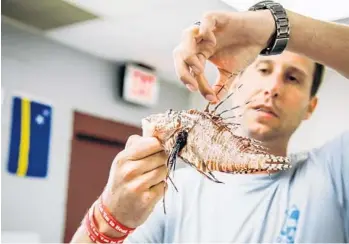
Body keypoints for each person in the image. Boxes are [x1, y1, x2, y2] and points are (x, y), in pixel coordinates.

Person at [70, 1, 349, 243]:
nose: (273, 87)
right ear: (236, 80)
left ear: (310, 107)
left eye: (293, 78)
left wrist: (273, 24)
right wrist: (110, 217)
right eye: (264, 69)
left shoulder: (333, 173)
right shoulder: (171, 192)